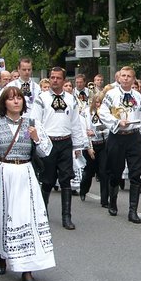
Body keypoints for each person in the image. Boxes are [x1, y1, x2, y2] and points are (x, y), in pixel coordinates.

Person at [0, 86, 55, 281]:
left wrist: (36, 138)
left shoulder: (33, 124)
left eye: (19, 98)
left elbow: (46, 152)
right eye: (11, 99)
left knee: (26, 218)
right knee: (3, 216)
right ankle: (2, 255)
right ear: (4, 103)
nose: (16, 101)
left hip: (25, 174)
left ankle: (27, 269)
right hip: (2, 173)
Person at [29, 67, 85, 230]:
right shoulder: (42, 98)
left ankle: (66, 216)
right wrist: (39, 142)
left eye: (58, 78)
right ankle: (43, 213)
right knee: (47, 179)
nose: (55, 80)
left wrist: (78, 145)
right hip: (49, 143)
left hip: (65, 142)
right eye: (52, 77)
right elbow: (35, 122)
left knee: (66, 179)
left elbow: (75, 123)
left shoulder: (71, 99)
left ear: (64, 80)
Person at [98, 66, 141, 223]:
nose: (126, 78)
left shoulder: (138, 96)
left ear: (133, 79)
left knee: (136, 173)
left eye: (129, 76)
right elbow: (102, 112)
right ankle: (113, 201)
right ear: (119, 78)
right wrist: (116, 122)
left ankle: (133, 211)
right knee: (115, 172)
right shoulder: (111, 94)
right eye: (123, 75)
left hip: (133, 137)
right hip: (117, 136)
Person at [79, 91, 109, 208]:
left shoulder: (106, 113)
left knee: (104, 172)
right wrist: (88, 147)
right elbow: (83, 130)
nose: (98, 105)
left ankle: (105, 200)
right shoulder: (85, 113)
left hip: (103, 144)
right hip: (90, 145)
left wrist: (100, 131)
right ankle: (83, 190)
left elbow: (111, 128)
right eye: (96, 102)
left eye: (101, 103)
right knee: (89, 172)